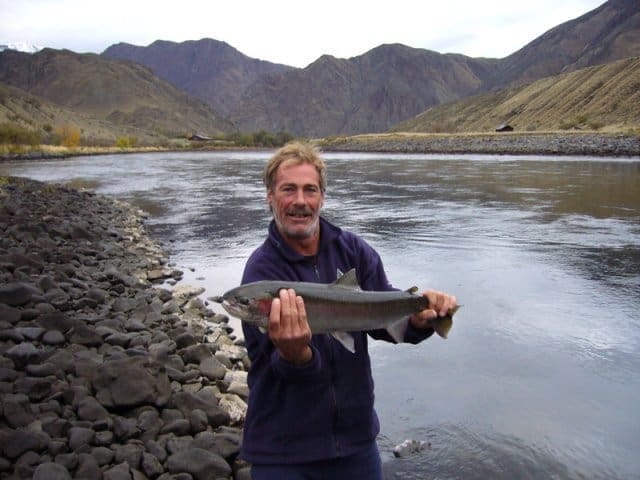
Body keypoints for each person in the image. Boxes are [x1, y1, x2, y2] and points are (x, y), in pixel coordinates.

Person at [240, 141, 457, 479]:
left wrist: (418, 318)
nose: (300, 201)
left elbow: (383, 318)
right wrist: (296, 356)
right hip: (283, 450)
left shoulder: (354, 250)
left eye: (310, 190)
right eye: (288, 190)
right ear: (270, 197)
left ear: (322, 197)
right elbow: (274, 367)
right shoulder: (260, 274)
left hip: (356, 444)